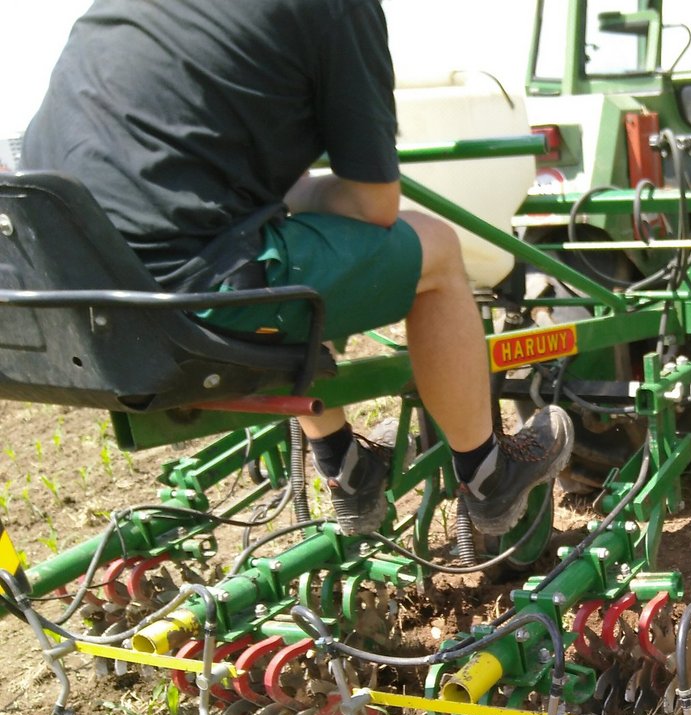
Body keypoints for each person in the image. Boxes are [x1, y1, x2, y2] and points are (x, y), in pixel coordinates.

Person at [22, 0, 573, 537]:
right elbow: (373, 205)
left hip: (63, 287)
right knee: (438, 249)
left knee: (267, 242)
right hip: (183, 295)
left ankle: (344, 461)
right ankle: (487, 473)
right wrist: (310, 190)